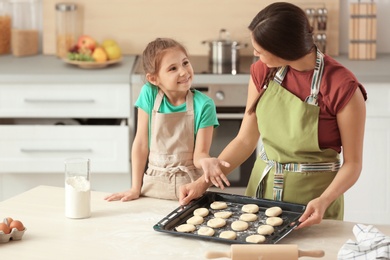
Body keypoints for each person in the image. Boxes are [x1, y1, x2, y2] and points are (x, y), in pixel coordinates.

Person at [179, 2, 367, 229]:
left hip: (314, 202)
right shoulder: (263, 71)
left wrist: (324, 200)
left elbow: (353, 164)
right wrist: (202, 183)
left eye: (259, 50)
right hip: (262, 193)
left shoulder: (342, 87)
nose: (255, 55)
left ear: (284, 49)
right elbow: (245, 140)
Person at [105, 38, 224, 201]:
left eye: (185, 63)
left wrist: (207, 161)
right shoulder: (149, 94)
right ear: (154, 79)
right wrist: (135, 188)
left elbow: (199, 155)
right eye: (173, 68)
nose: (183, 72)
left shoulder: (204, 105)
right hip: (152, 188)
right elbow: (141, 143)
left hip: (189, 192)